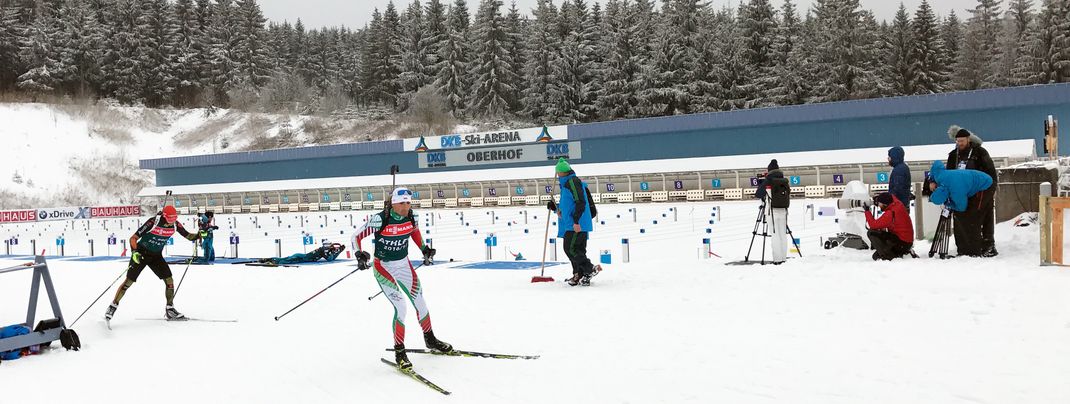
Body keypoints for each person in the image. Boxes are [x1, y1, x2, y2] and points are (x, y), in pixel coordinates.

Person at [353, 186, 449, 370]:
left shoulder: (412, 216)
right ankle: (400, 352)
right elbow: (356, 237)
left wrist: (424, 249)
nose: (406, 207)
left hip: (404, 265)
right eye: (402, 203)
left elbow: (414, 232)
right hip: (383, 267)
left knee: (421, 303)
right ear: (393, 204)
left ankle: (430, 339)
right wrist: (359, 255)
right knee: (401, 307)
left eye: (408, 202)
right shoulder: (380, 219)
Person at [105, 205, 200, 321]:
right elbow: (133, 238)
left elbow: (189, 236)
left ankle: (170, 309)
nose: (171, 223)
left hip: (156, 256)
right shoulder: (152, 222)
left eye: (173, 219)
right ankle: (113, 306)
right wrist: (134, 252)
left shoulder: (175, 224)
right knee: (128, 282)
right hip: (141, 254)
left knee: (169, 281)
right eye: (170, 220)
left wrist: (200, 234)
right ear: (164, 217)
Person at [546, 158, 601, 286]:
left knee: (570, 249)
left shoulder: (573, 183)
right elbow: (568, 206)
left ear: (561, 173)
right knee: (578, 250)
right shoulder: (566, 185)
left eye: (558, 173)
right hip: (571, 223)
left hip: (576, 224)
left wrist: (576, 221)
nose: (558, 175)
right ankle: (580, 275)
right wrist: (556, 209)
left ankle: (589, 268)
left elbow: (580, 202)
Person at [946, 126, 998, 256]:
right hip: (961, 194)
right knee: (961, 219)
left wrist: (989, 191)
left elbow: (991, 174)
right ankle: (965, 247)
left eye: (962, 141)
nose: (959, 144)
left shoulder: (979, 153)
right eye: (957, 141)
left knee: (984, 218)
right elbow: (949, 175)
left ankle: (988, 244)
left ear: (968, 140)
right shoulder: (953, 155)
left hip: (981, 192)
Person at [926, 161, 994, 257]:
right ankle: (967, 249)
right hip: (978, 180)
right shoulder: (942, 177)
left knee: (973, 218)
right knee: (968, 217)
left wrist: (950, 204)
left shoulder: (954, 188)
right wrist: (932, 180)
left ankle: (974, 251)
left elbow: (962, 207)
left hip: (986, 185)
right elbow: (937, 165)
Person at [754, 159, 790, 264]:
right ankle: (783, 258)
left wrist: (763, 182)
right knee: (783, 234)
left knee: (775, 235)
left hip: (772, 212)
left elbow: (758, 194)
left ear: (769, 170)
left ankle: (777, 259)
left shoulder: (768, 180)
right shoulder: (784, 181)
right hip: (783, 211)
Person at [864, 192, 914, 260]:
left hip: (902, 243)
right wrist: (879, 198)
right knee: (876, 256)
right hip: (906, 241)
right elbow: (890, 195)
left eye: (879, 203)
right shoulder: (897, 204)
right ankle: (901, 252)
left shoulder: (890, 213)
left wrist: (867, 211)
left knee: (871, 233)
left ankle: (890, 256)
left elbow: (873, 225)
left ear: (885, 204)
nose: (878, 206)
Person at [257, 242, 344, 266]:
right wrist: (338, 251)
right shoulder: (323, 251)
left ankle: (268, 259)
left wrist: (338, 251)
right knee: (285, 261)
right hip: (301, 257)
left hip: (302, 257)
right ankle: (272, 261)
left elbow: (330, 257)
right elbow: (330, 259)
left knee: (285, 259)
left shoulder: (323, 250)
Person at [887, 147, 912, 211]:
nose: (888, 159)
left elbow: (897, 189)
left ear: (894, 157)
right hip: (901, 206)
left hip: (898, 207)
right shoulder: (902, 168)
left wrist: (886, 200)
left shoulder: (899, 170)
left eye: (889, 157)